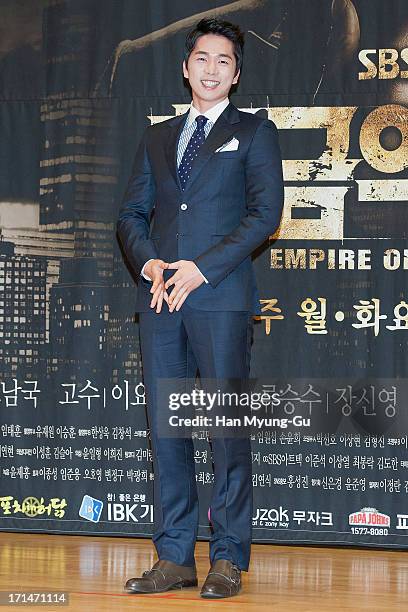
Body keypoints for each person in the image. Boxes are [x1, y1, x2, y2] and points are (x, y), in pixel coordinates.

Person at [116, 17, 284, 599]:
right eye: (202, 59)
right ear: (186, 67)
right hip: (160, 300)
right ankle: (174, 558)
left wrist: (203, 266)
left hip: (220, 299)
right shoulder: (158, 136)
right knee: (168, 433)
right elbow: (131, 215)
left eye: (224, 62)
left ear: (236, 75)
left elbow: (265, 215)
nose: (212, 69)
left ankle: (228, 558)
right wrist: (150, 263)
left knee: (225, 433)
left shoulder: (255, 133)